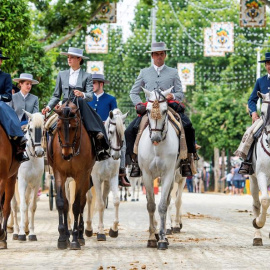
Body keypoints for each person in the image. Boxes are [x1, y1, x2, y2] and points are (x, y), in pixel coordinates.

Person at [125, 41, 198, 177]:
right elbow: (133, 92)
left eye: (161, 54)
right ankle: (134, 162)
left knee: (188, 126)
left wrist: (173, 95)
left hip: (169, 107)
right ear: (152, 56)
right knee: (130, 130)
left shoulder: (173, 72)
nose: (159, 56)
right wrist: (140, 104)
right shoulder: (144, 72)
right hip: (150, 109)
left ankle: (186, 160)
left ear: (165, 55)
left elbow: (180, 93)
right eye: (156, 54)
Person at [41, 47, 110, 161]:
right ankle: (48, 151)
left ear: (79, 59)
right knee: (49, 126)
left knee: (95, 116)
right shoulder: (61, 74)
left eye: (72, 57)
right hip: (64, 107)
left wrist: (82, 94)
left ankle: (98, 144)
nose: (69, 59)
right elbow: (56, 95)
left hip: (79, 106)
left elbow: (90, 96)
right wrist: (48, 107)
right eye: (68, 57)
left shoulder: (87, 76)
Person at [87, 73, 130, 187]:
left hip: (107, 131)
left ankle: (121, 172)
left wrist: (107, 122)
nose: (92, 85)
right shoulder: (88, 98)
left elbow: (115, 114)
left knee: (123, 142)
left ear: (101, 84)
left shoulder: (111, 99)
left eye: (94, 83)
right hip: (91, 130)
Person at [238, 52, 270, 174]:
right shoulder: (260, 81)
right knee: (251, 133)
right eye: (267, 63)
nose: (269, 66)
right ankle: (247, 162)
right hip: (265, 118)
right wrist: (253, 113)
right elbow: (252, 100)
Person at [0, 49, 28, 162]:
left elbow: (8, 95)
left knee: (1, 107)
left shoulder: (5, 76)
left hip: (0, 103)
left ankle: (18, 139)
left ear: (1, 62)